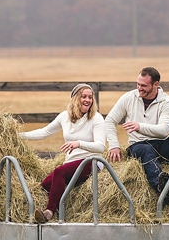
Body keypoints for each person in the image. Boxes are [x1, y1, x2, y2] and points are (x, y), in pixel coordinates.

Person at [105, 67, 169, 206]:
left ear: (156, 84)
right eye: (138, 84)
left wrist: (140, 126)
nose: (139, 88)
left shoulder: (167, 102)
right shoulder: (129, 97)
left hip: (161, 147)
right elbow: (110, 121)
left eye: (144, 86)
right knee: (145, 149)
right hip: (137, 146)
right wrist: (114, 145)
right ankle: (162, 188)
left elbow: (164, 130)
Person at [20, 83, 105, 223]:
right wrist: (19, 136)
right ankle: (59, 211)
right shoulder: (64, 117)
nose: (87, 100)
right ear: (75, 99)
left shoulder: (96, 118)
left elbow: (100, 146)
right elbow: (44, 132)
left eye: (90, 97)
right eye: (83, 96)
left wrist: (79, 143)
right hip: (71, 163)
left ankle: (49, 212)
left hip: (91, 162)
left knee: (59, 172)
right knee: (45, 186)